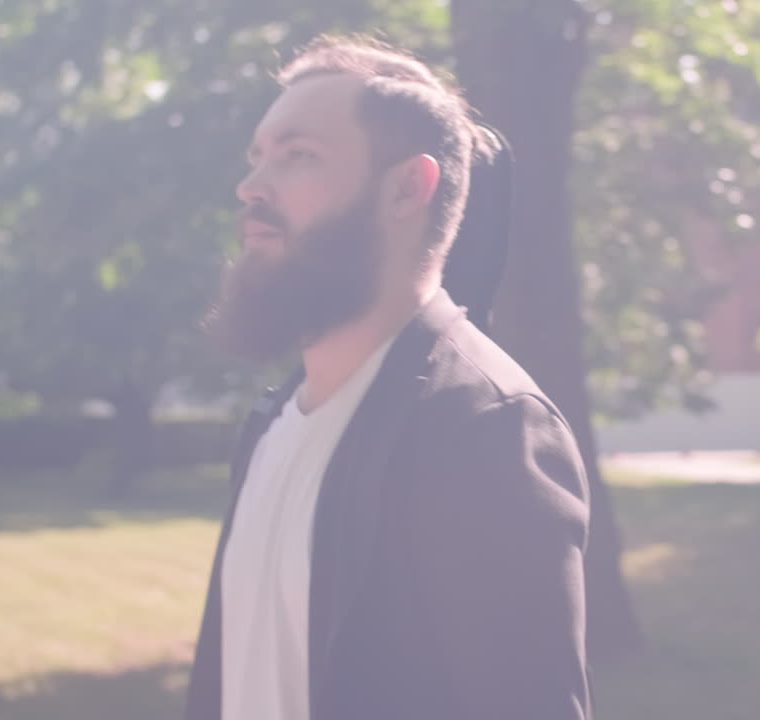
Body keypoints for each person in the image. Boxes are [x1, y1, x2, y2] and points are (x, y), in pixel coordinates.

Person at [185, 34, 593, 720]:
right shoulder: (270, 425)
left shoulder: (484, 430)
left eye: (298, 156)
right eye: (258, 157)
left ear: (407, 187)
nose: (250, 186)